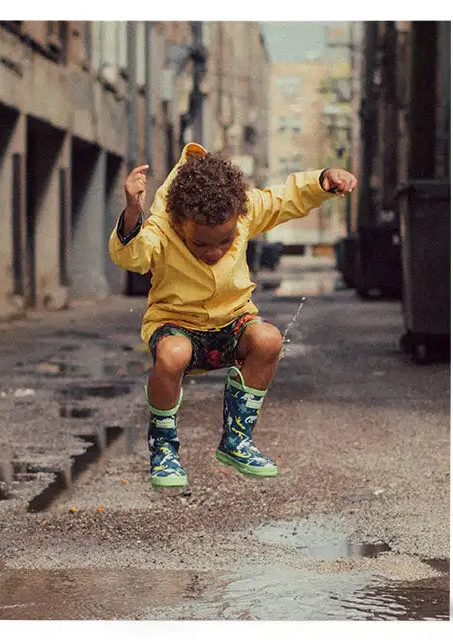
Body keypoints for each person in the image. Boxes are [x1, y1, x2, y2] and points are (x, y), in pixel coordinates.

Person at [109, 142, 357, 488]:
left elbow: (282, 199)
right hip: (178, 325)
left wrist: (322, 181)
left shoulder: (242, 211)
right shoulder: (162, 230)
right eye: (201, 245)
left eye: (225, 241)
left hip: (232, 321)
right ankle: (164, 448)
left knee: (268, 339)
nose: (215, 252)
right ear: (180, 224)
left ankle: (237, 439)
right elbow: (131, 257)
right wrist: (134, 212)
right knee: (172, 354)